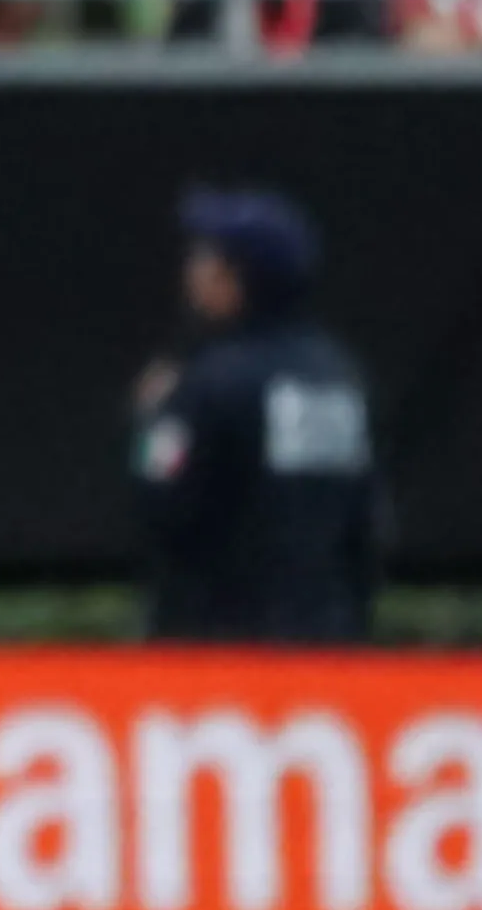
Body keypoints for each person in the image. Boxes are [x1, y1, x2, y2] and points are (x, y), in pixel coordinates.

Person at [132, 188, 379, 644]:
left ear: (237, 279)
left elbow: (160, 500)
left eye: (205, 259)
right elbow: (363, 520)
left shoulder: (208, 382)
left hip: (218, 646)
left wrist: (151, 419)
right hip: (327, 639)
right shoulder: (338, 377)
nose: (192, 273)